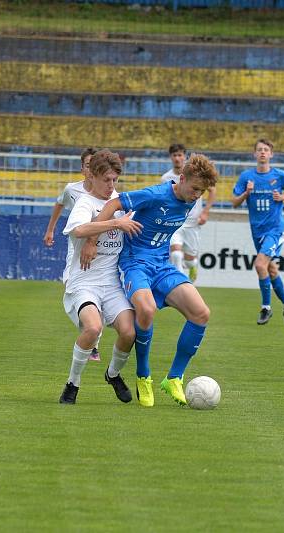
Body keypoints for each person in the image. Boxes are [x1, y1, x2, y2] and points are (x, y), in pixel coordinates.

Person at [91, 154, 218, 407]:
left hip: (161, 265)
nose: (196, 195)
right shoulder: (156, 194)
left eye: (201, 192)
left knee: (201, 313)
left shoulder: (190, 200)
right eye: (194, 189)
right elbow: (114, 203)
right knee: (146, 309)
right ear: (180, 179)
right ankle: (143, 377)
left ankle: (173, 378)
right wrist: (92, 240)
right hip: (134, 263)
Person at [58, 150, 142, 404]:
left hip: (112, 283)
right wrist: (114, 224)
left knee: (129, 332)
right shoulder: (85, 202)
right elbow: (79, 229)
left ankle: (113, 374)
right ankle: (73, 383)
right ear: (92, 176)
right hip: (84, 281)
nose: (111, 186)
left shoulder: (120, 201)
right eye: (106, 180)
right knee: (93, 328)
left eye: (115, 180)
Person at [44, 147, 102, 361]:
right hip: (76, 247)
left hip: (102, 250)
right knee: (70, 286)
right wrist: (50, 229)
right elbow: (59, 204)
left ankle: (93, 339)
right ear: (83, 169)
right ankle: (91, 333)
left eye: (95, 165)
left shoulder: (108, 192)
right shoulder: (73, 190)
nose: (92, 169)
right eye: (88, 165)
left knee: (97, 291)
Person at [230, 138, 284, 326]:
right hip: (257, 231)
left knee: (260, 265)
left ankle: (266, 307)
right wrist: (246, 194)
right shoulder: (246, 177)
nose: (262, 153)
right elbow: (233, 202)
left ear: (271, 154)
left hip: (275, 229)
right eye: (259, 150)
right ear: (254, 154)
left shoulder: (280, 175)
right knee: (271, 269)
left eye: (266, 150)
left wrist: (283, 196)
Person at [160, 143, 216, 281]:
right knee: (176, 255)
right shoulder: (166, 178)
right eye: (174, 155)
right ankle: (180, 283)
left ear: (184, 156)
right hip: (175, 222)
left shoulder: (195, 175)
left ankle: (192, 267)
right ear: (171, 157)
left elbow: (212, 190)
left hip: (193, 223)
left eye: (180, 155)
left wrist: (205, 212)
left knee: (191, 260)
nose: (177, 158)